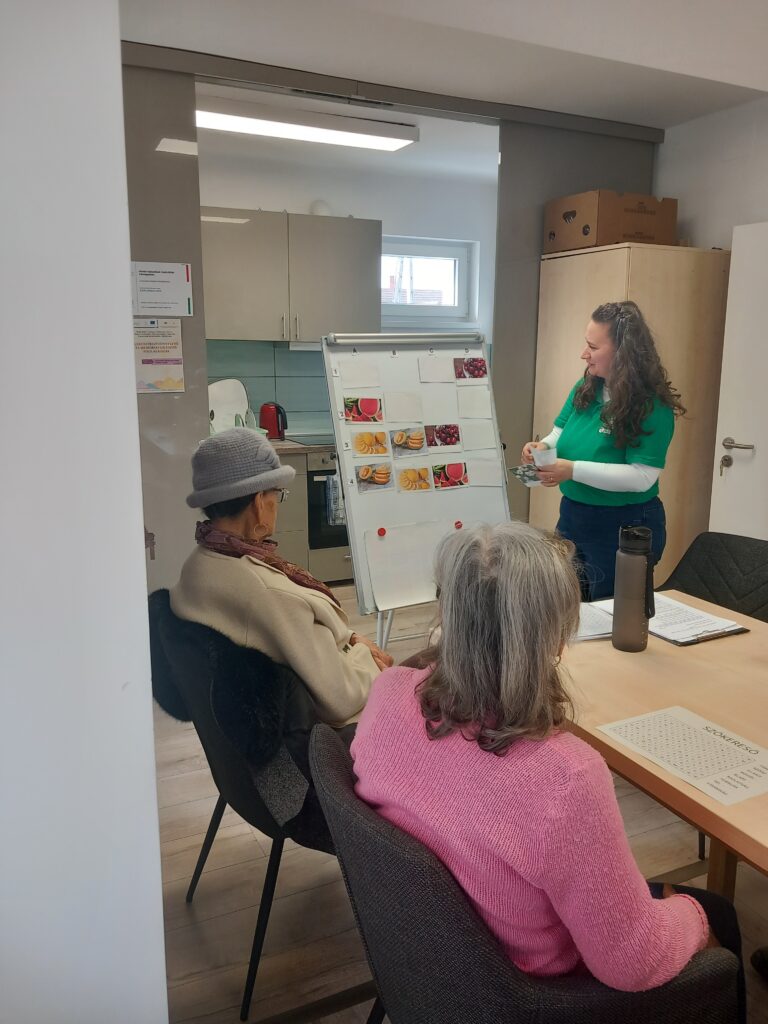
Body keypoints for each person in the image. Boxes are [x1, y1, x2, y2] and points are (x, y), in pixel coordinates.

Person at [352, 523, 744, 1015]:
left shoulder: (389, 693)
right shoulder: (563, 779)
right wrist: (691, 915)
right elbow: (631, 963)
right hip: (530, 996)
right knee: (717, 913)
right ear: (556, 640)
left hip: (432, 963)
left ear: (447, 610)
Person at [171, 428, 391, 726]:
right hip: (338, 738)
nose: (277, 502)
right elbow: (341, 698)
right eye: (277, 494)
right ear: (259, 502)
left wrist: (350, 638)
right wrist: (364, 652)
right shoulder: (267, 594)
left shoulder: (197, 565)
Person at [522, 300, 685, 599]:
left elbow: (642, 477)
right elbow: (559, 432)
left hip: (623, 523)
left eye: (593, 347)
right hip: (574, 514)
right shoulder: (587, 386)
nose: (584, 354)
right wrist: (542, 446)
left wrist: (571, 470)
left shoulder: (651, 405)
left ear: (623, 352)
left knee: (608, 611)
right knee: (565, 604)